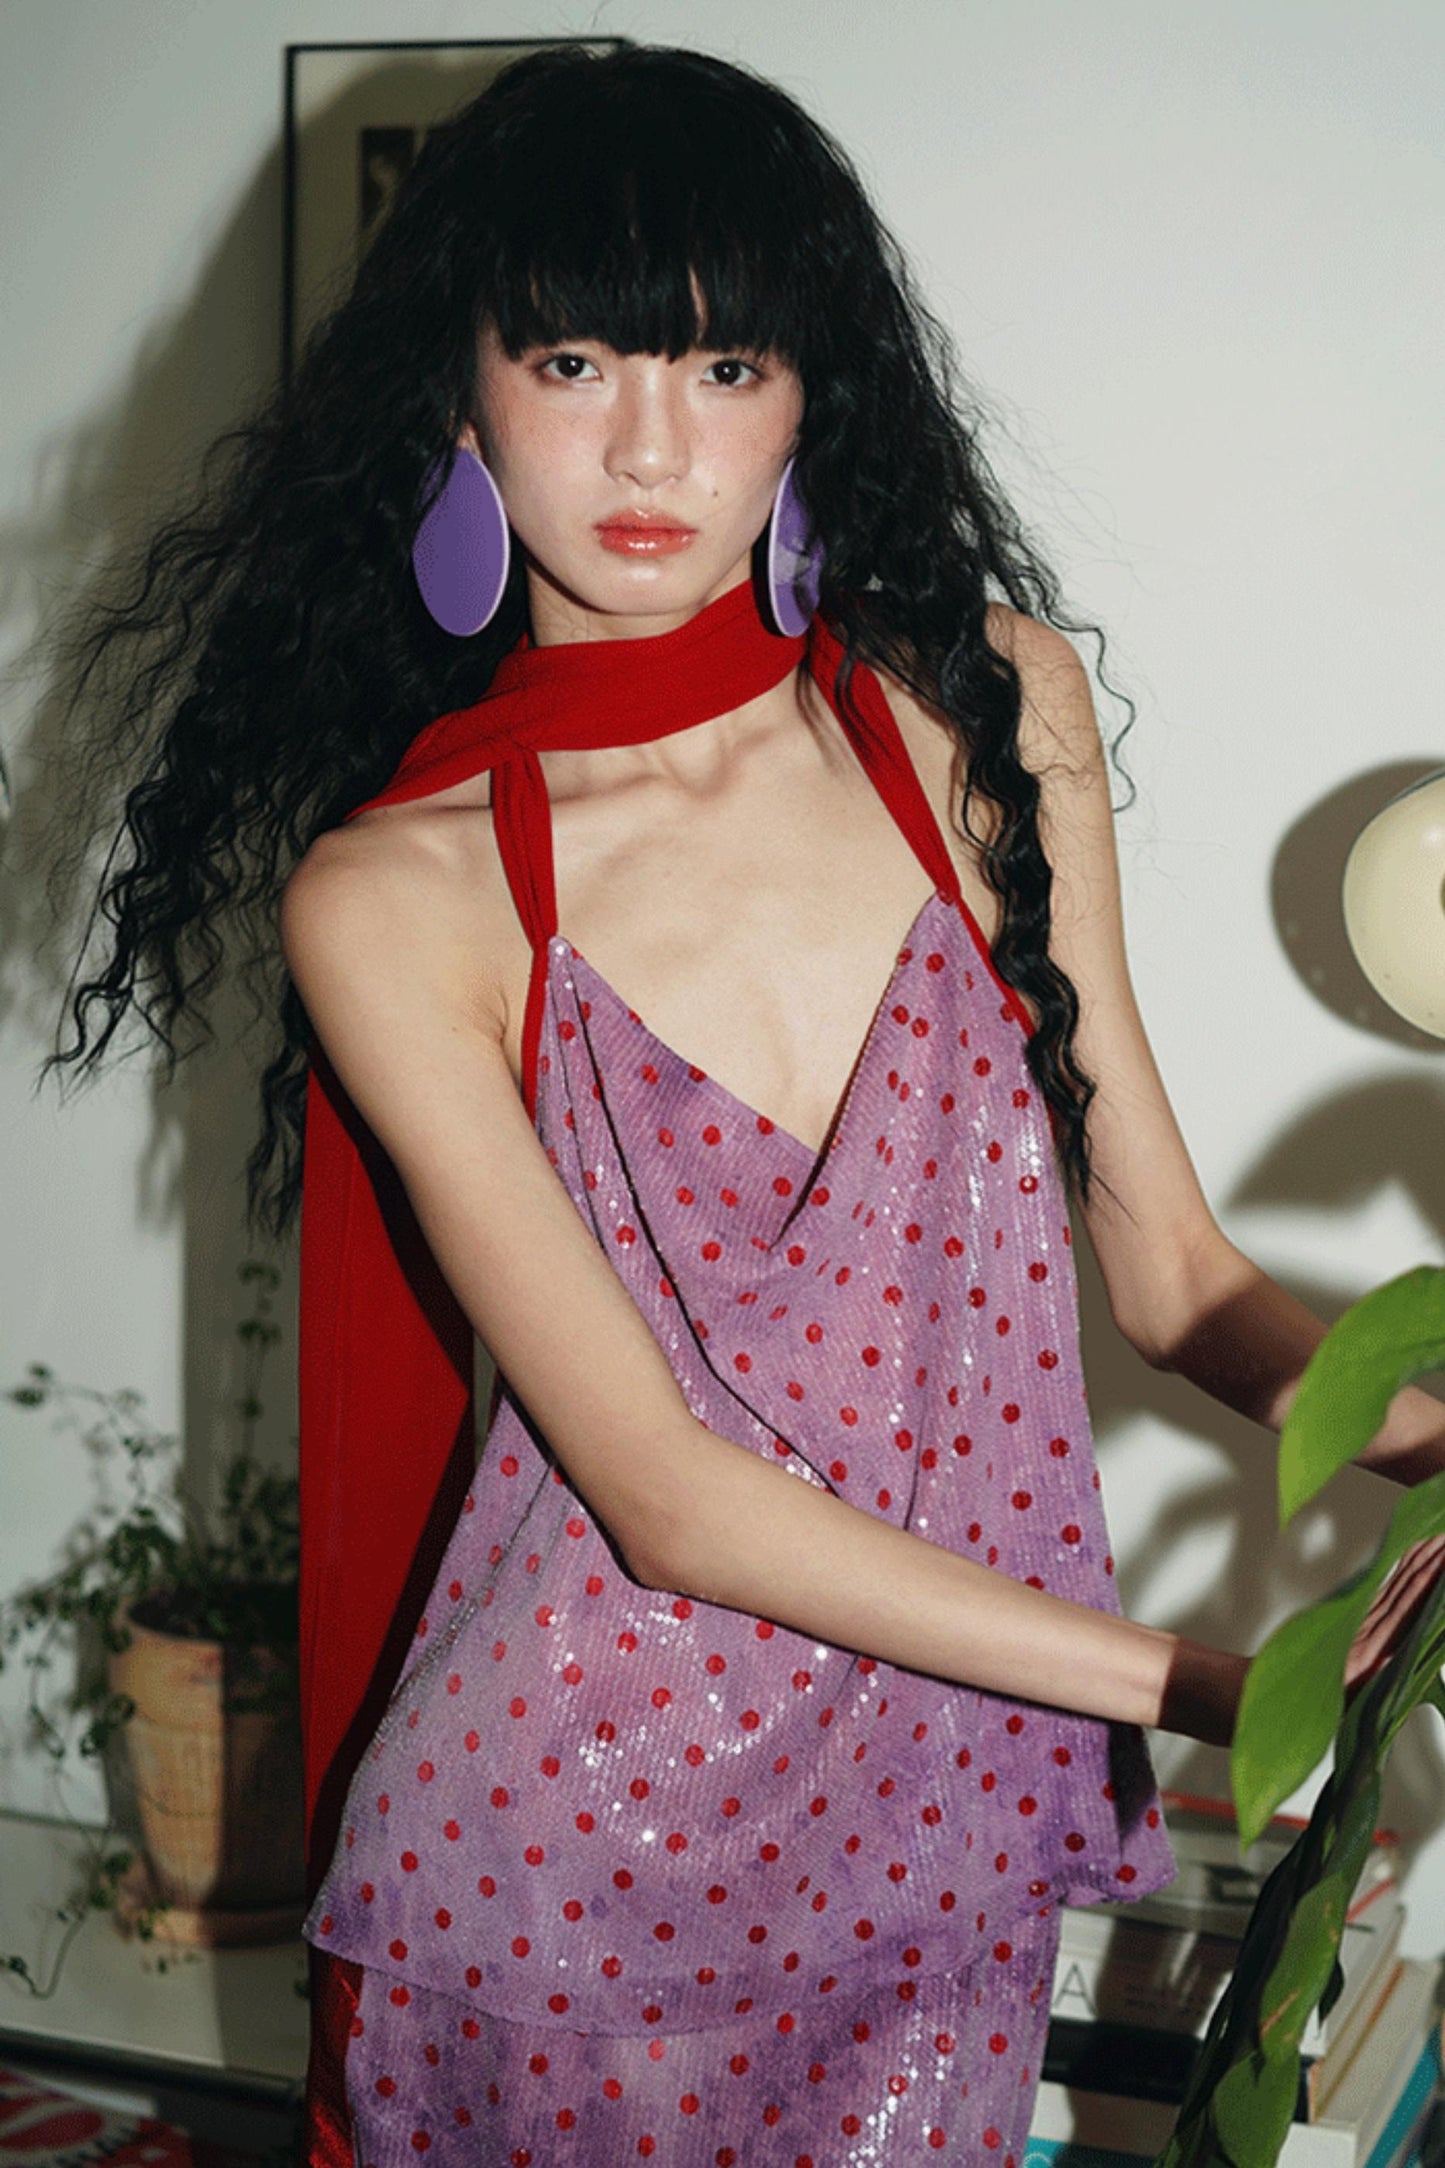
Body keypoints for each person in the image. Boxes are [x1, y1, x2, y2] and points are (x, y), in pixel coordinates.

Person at [42, 41, 1445, 2168]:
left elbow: (1171, 1275)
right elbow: (667, 1502)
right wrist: (1218, 1688)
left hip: (943, 1828)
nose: (647, 446)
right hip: (576, 1868)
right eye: (574, 358)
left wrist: (1426, 1438)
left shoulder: (978, 713)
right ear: (458, 393)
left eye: (723, 366)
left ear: (810, 397)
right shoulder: (402, 893)